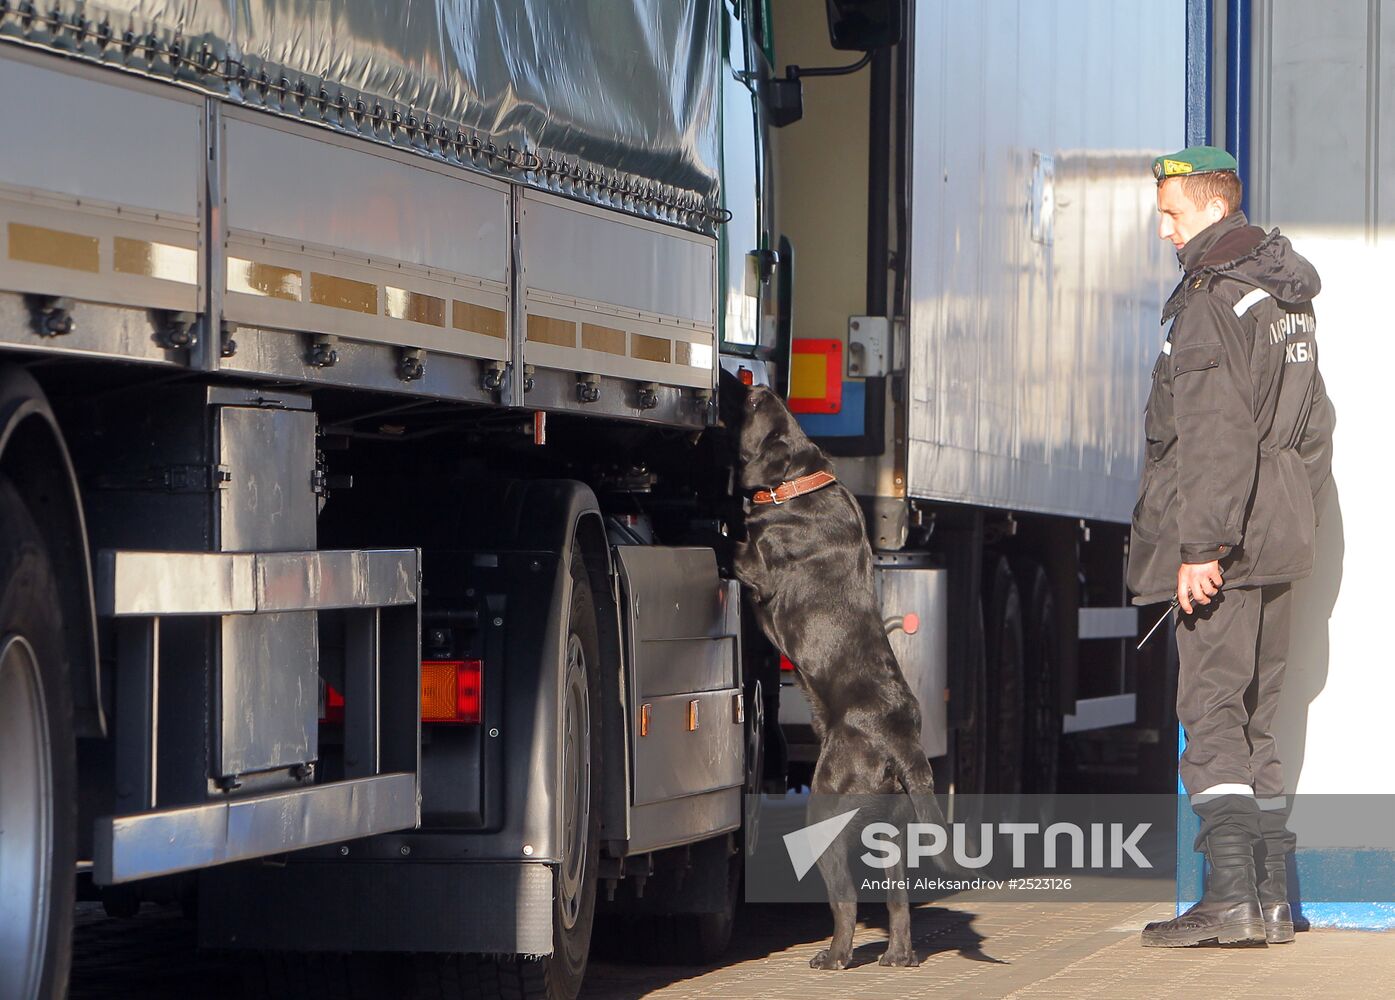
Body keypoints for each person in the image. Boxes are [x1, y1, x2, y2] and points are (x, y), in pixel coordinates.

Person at [1127, 145, 1334, 947]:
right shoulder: (1283, 296)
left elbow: (1211, 437)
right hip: (1280, 536)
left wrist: (1202, 545)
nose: (1161, 231)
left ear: (1213, 209)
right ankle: (1274, 903)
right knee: (1258, 721)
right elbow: (1314, 430)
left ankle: (1231, 901)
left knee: (1211, 713)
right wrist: (1289, 515)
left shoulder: (1212, 299)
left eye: (1170, 215)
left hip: (1230, 545)